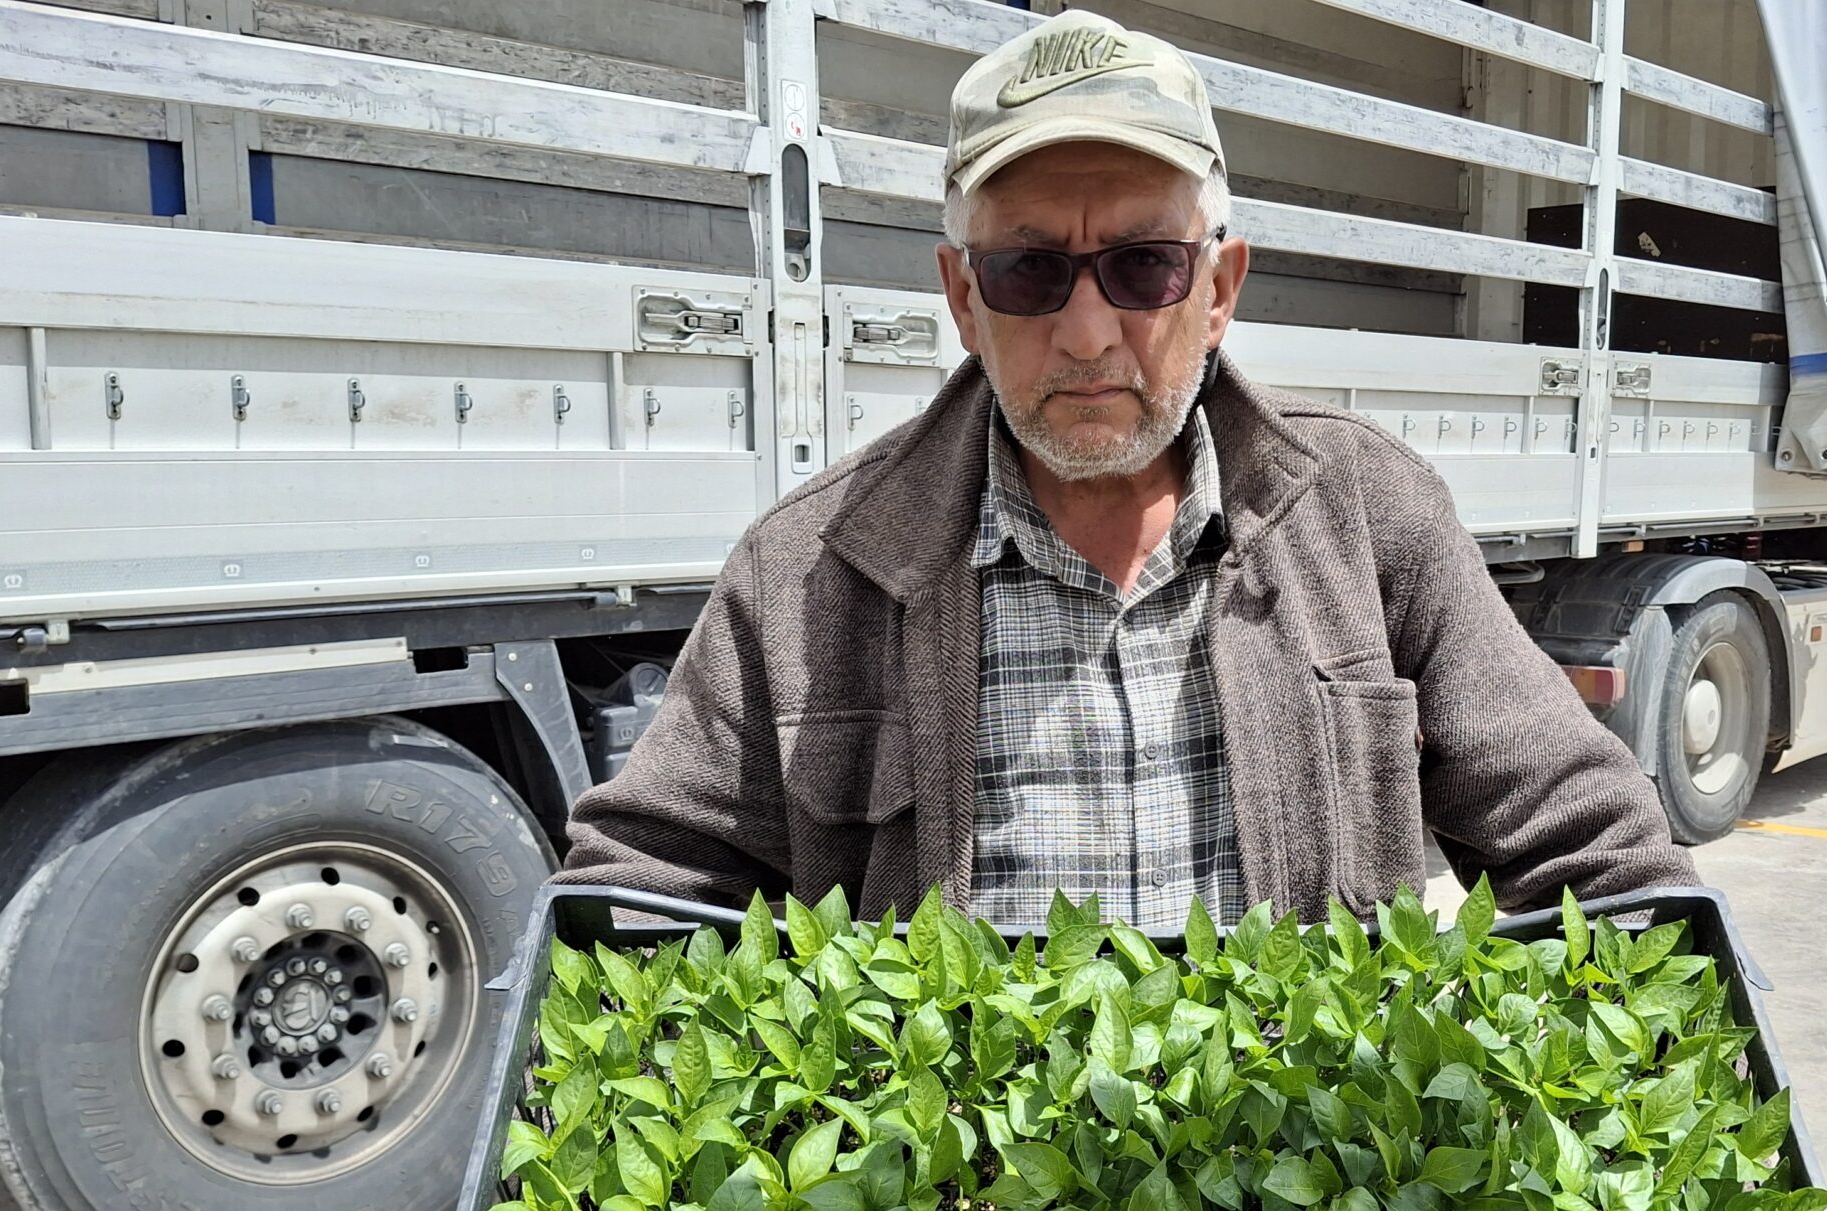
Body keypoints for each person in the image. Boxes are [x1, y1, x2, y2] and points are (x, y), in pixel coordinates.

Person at [558, 9, 1695, 927]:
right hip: (954, 1209)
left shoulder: (1363, 514)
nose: (1090, 332)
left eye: (1145, 266)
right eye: (1028, 271)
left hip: (1297, 1200)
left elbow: (1587, 833)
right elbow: (648, 885)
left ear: (1219, 287)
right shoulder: (805, 571)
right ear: (962, 297)